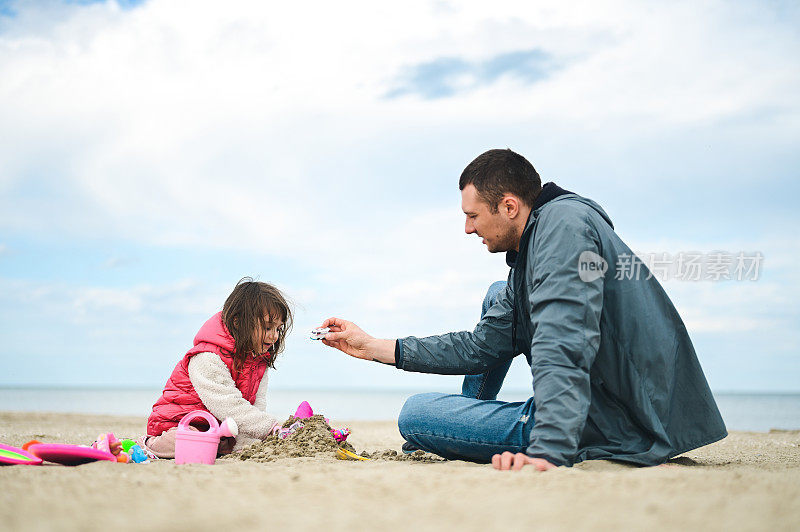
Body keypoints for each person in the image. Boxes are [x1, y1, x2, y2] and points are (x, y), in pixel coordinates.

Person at [319, 148, 727, 471]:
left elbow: (563, 337)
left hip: (614, 422)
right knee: (499, 294)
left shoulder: (563, 229)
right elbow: (480, 347)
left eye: (473, 216)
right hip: (608, 405)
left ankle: (475, 428)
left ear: (509, 207)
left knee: (415, 414)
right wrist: (370, 345)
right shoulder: (541, 241)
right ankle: (471, 419)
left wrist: (549, 449)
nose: (468, 229)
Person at [142, 277, 292, 458]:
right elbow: (227, 403)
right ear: (238, 322)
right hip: (176, 423)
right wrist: (271, 427)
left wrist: (250, 443)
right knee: (190, 438)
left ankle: (215, 442)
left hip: (216, 428)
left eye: (278, 328)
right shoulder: (207, 357)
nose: (274, 336)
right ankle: (149, 443)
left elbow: (256, 406)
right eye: (268, 327)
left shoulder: (258, 362)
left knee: (221, 442)